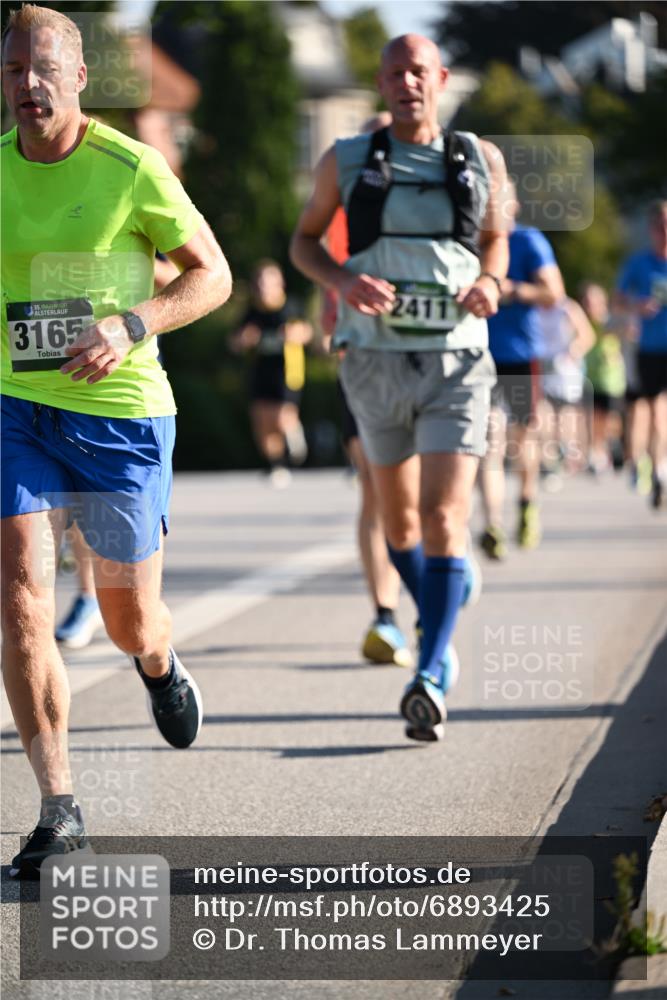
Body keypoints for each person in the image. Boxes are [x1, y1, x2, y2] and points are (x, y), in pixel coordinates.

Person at [1, 5, 232, 877]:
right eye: (14, 69)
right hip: (15, 405)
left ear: (80, 78)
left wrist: (133, 321)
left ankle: (159, 662)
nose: (29, 84)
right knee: (22, 598)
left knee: (125, 616)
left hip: (120, 416)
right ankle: (60, 807)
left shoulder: (131, 167)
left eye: (44, 68)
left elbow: (213, 275)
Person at [291, 33, 509, 741]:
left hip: (455, 361)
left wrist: (489, 280)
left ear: (439, 78)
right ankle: (440, 609)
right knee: (398, 526)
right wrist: (341, 279)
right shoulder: (346, 159)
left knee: (446, 518)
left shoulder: (477, 157)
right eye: (394, 73)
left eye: (419, 71)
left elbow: (496, 238)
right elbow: (304, 243)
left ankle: (432, 668)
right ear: (380, 84)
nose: (407, 82)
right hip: (374, 362)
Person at [54, 253, 181, 649]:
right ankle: (88, 595)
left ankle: (151, 643)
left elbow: (177, 275)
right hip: (45, 383)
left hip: (120, 386)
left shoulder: (130, 197)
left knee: (137, 625)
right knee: (70, 497)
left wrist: (101, 272)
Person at [478, 186, 565, 559]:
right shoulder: (471, 240)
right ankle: (493, 523)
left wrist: (512, 289)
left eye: (500, 200)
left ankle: (527, 502)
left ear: (515, 205)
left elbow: (554, 293)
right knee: (489, 441)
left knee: (521, 442)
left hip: (521, 356)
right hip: (479, 356)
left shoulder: (529, 241)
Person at [231, 260, 311, 488]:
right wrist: (244, 339)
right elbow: (234, 341)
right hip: (260, 369)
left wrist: (295, 333)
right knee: (261, 422)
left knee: (281, 418)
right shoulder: (252, 311)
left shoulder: (290, 307)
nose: (264, 288)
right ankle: (277, 465)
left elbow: (307, 332)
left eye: (268, 282)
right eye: (260, 283)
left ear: (280, 284)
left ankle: (294, 436)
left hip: (287, 371)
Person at [614, 201, 667, 509]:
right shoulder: (638, 263)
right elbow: (617, 301)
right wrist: (637, 307)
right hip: (648, 349)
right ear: (651, 229)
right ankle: (654, 467)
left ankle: (657, 468)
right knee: (650, 411)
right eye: (659, 225)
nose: (664, 231)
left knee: (660, 412)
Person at [538, 295, 595, 484]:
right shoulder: (534, 307)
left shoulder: (567, 308)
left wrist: (572, 352)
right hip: (542, 369)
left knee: (565, 416)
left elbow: (587, 336)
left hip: (565, 371)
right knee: (543, 414)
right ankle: (549, 460)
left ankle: (565, 452)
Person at [579, 283, 626, 475]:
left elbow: (625, 331)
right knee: (593, 418)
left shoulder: (609, 320)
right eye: (587, 302)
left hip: (611, 380)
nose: (590, 305)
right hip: (590, 377)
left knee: (611, 419)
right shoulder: (583, 321)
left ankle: (611, 447)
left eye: (594, 301)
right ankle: (597, 453)